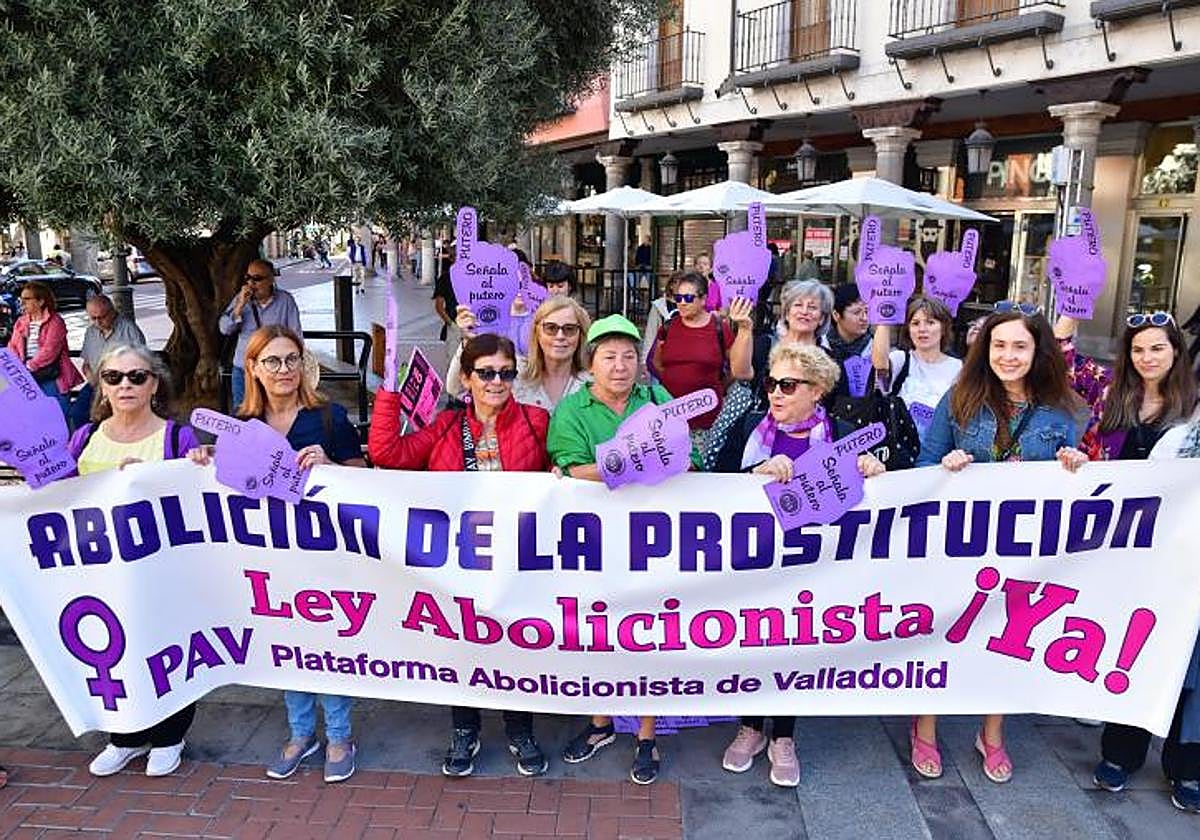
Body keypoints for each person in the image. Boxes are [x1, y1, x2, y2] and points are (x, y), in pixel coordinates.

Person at [915, 305, 1088, 783]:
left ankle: (992, 732)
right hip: (959, 542)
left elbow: (1069, 477)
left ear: (1038, 352)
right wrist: (944, 467)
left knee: (1008, 638)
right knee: (943, 631)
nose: (1008, 356)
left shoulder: (1061, 409)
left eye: (1019, 346)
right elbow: (922, 467)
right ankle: (924, 723)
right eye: (999, 345)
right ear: (983, 348)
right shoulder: (960, 398)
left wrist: (1074, 462)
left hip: (1024, 549)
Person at [369, 333, 552, 777]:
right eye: (486, 373)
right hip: (458, 559)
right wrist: (389, 396)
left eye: (506, 373)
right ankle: (465, 730)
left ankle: (519, 729)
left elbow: (560, 471)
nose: (496, 382)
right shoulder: (447, 427)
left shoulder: (537, 420)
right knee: (462, 646)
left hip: (517, 558)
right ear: (467, 378)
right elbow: (386, 453)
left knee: (516, 646)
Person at [192, 326, 365, 782]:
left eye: (291, 360)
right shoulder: (240, 425)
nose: (284, 370)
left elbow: (364, 473)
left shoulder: (327, 416)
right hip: (270, 561)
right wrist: (205, 461)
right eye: (272, 361)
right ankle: (301, 732)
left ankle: (341, 735)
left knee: (329, 645)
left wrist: (331, 467)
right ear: (252, 368)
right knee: (289, 645)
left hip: (325, 555)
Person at [721, 343, 885, 787]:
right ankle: (751, 727)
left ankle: (784, 737)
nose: (775, 393)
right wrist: (755, 472)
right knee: (754, 643)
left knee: (795, 646)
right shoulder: (748, 429)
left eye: (788, 385)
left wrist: (873, 470)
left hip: (816, 571)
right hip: (752, 565)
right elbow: (712, 482)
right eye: (771, 383)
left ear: (818, 391)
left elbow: (884, 496)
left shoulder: (845, 434)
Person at [547, 314, 701, 785]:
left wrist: (614, 464)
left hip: (654, 541)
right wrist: (636, 460)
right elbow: (569, 469)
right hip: (594, 545)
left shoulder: (657, 399)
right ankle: (601, 723)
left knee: (651, 634)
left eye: (629, 356)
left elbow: (686, 459)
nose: (620, 366)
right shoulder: (572, 411)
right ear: (591, 363)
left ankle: (646, 735)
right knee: (597, 633)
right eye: (609, 357)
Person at [68, 345, 200, 778]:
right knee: (111, 652)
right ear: (101, 385)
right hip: (98, 573)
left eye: (137, 377)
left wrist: (195, 467)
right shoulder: (84, 438)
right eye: (114, 377)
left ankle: (169, 735)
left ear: (154, 384)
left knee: (166, 651)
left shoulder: (177, 439)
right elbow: (60, 497)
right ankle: (124, 735)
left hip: (162, 574)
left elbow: (196, 507)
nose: (125, 384)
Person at [652, 272, 754, 432]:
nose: (682, 303)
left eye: (688, 298)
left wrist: (719, 387)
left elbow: (736, 366)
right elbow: (656, 362)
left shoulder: (719, 327)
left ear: (703, 299)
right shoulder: (668, 327)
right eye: (678, 298)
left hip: (706, 419)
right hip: (669, 416)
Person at [870, 296, 961, 441]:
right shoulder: (900, 359)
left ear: (944, 328)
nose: (922, 329)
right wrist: (884, 318)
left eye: (930, 323)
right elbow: (880, 364)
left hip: (942, 452)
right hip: (902, 451)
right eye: (915, 323)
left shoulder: (959, 368)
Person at [218, 259, 302, 410]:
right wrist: (239, 307)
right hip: (245, 368)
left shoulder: (285, 301)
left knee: (273, 413)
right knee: (243, 413)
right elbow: (224, 329)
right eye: (247, 278)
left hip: (274, 370)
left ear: (271, 279)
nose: (251, 283)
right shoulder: (241, 299)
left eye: (257, 279)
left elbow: (296, 336)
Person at [7, 280, 82, 414]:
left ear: (41, 301)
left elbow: (50, 351)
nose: (22, 302)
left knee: (58, 414)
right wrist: (18, 367)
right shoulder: (21, 321)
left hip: (51, 375)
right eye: (21, 298)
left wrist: (28, 367)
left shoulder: (56, 321)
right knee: (34, 415)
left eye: (27, 299)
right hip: (26, 375)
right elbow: (13, 346)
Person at [73, 295, 147, 429]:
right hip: (96, 383)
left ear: (112, 312)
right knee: (77, 414)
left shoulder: (129, 330)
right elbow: (86, 363)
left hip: (120, 385)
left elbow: (141, 363)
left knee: (110, 418)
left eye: (101, 317)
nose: (97, 322)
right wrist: (92, 379)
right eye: (93, 318)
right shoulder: (91, 331)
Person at [512, 296, 592, 411]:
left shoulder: (592, 383)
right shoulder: (515, 377)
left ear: (580, 335)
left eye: (569, 329)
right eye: (550, 328)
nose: (560, 336)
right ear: (537, 333)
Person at [642, 272, 679, 376]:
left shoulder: (688, 305)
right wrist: (645, 360)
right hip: (659, 354)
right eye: (677, 282)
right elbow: (650, 333)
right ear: (671, 285)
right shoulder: (659, 305)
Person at [824, 284, 871, 365]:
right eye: (856, 313)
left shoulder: (874, 349)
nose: (864, 318)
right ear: (836, 315)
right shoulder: (820, 345)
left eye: (867, 312)